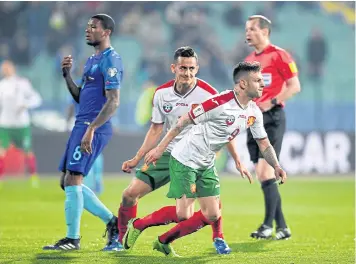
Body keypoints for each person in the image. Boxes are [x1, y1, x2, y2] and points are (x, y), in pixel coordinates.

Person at [124, 61, 287, 257]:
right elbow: (183, 121)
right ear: (243, 84)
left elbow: (264, 143)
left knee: (212, 214)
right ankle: (139, 224)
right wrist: (159, 149)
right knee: (183, 214)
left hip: (206, 162)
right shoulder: (219, 103)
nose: (263, 84)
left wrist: (276, 165)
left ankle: (163, 241)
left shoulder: (253, 112)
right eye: (258, 80)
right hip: (184, 159)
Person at [116, 47, 249, 254]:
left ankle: (218, 237)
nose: (187, 73)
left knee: (208, 206)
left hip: (195, 156)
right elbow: (156, 128)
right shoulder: (161, 94)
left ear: (197, 69)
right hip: (167, 152)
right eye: (183, 68)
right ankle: (120, 239)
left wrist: (237, 159)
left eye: (191, 68)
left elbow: (223, 127)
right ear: (173, 68)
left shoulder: (208, 93)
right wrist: (137, 157)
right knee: (129, 194)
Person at [43, 14, 123, 251]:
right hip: (82, 124)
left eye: (94, 27)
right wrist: (67, 77)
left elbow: (114, 101)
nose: (88, 30)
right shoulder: (91, 60)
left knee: (73, 179)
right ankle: (112, 222)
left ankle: (72, 239)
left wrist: (92, 128)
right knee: (66, 182)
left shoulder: (111, 60)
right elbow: (80, 97)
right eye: (87, 26)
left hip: (93, 126)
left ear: (106, 32)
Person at [244, 15, 301, 240]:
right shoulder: (249, 60)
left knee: (265, 171)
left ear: (265, 32)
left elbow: (295, 85)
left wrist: (273, 101)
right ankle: (283, 227)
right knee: (262, 174)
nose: (247, 33)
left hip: (273, 117)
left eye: (252, 29)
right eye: (246, 30)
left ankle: (267, 226)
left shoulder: (279, 55)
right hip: (254, 119)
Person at [0, 60, 42, 188]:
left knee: (27, 151)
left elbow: (36, 98)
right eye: (4, 68)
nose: (6, 70)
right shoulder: (1, 85)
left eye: (8, 67)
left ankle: (33, 176)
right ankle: (1, 178)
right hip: (5, 124)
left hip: (21, 124)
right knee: (1, 151)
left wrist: (26, 104)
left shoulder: (22, 83)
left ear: (13, 68)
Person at [67, 99, 104, 195]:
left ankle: (89, 185)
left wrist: (68, 121)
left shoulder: (82, 86)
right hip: (96, 123)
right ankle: (96, 184)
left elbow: (71, 106)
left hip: (84, 124)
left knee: (84, 153)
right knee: (95, 153)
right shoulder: (101, 87)